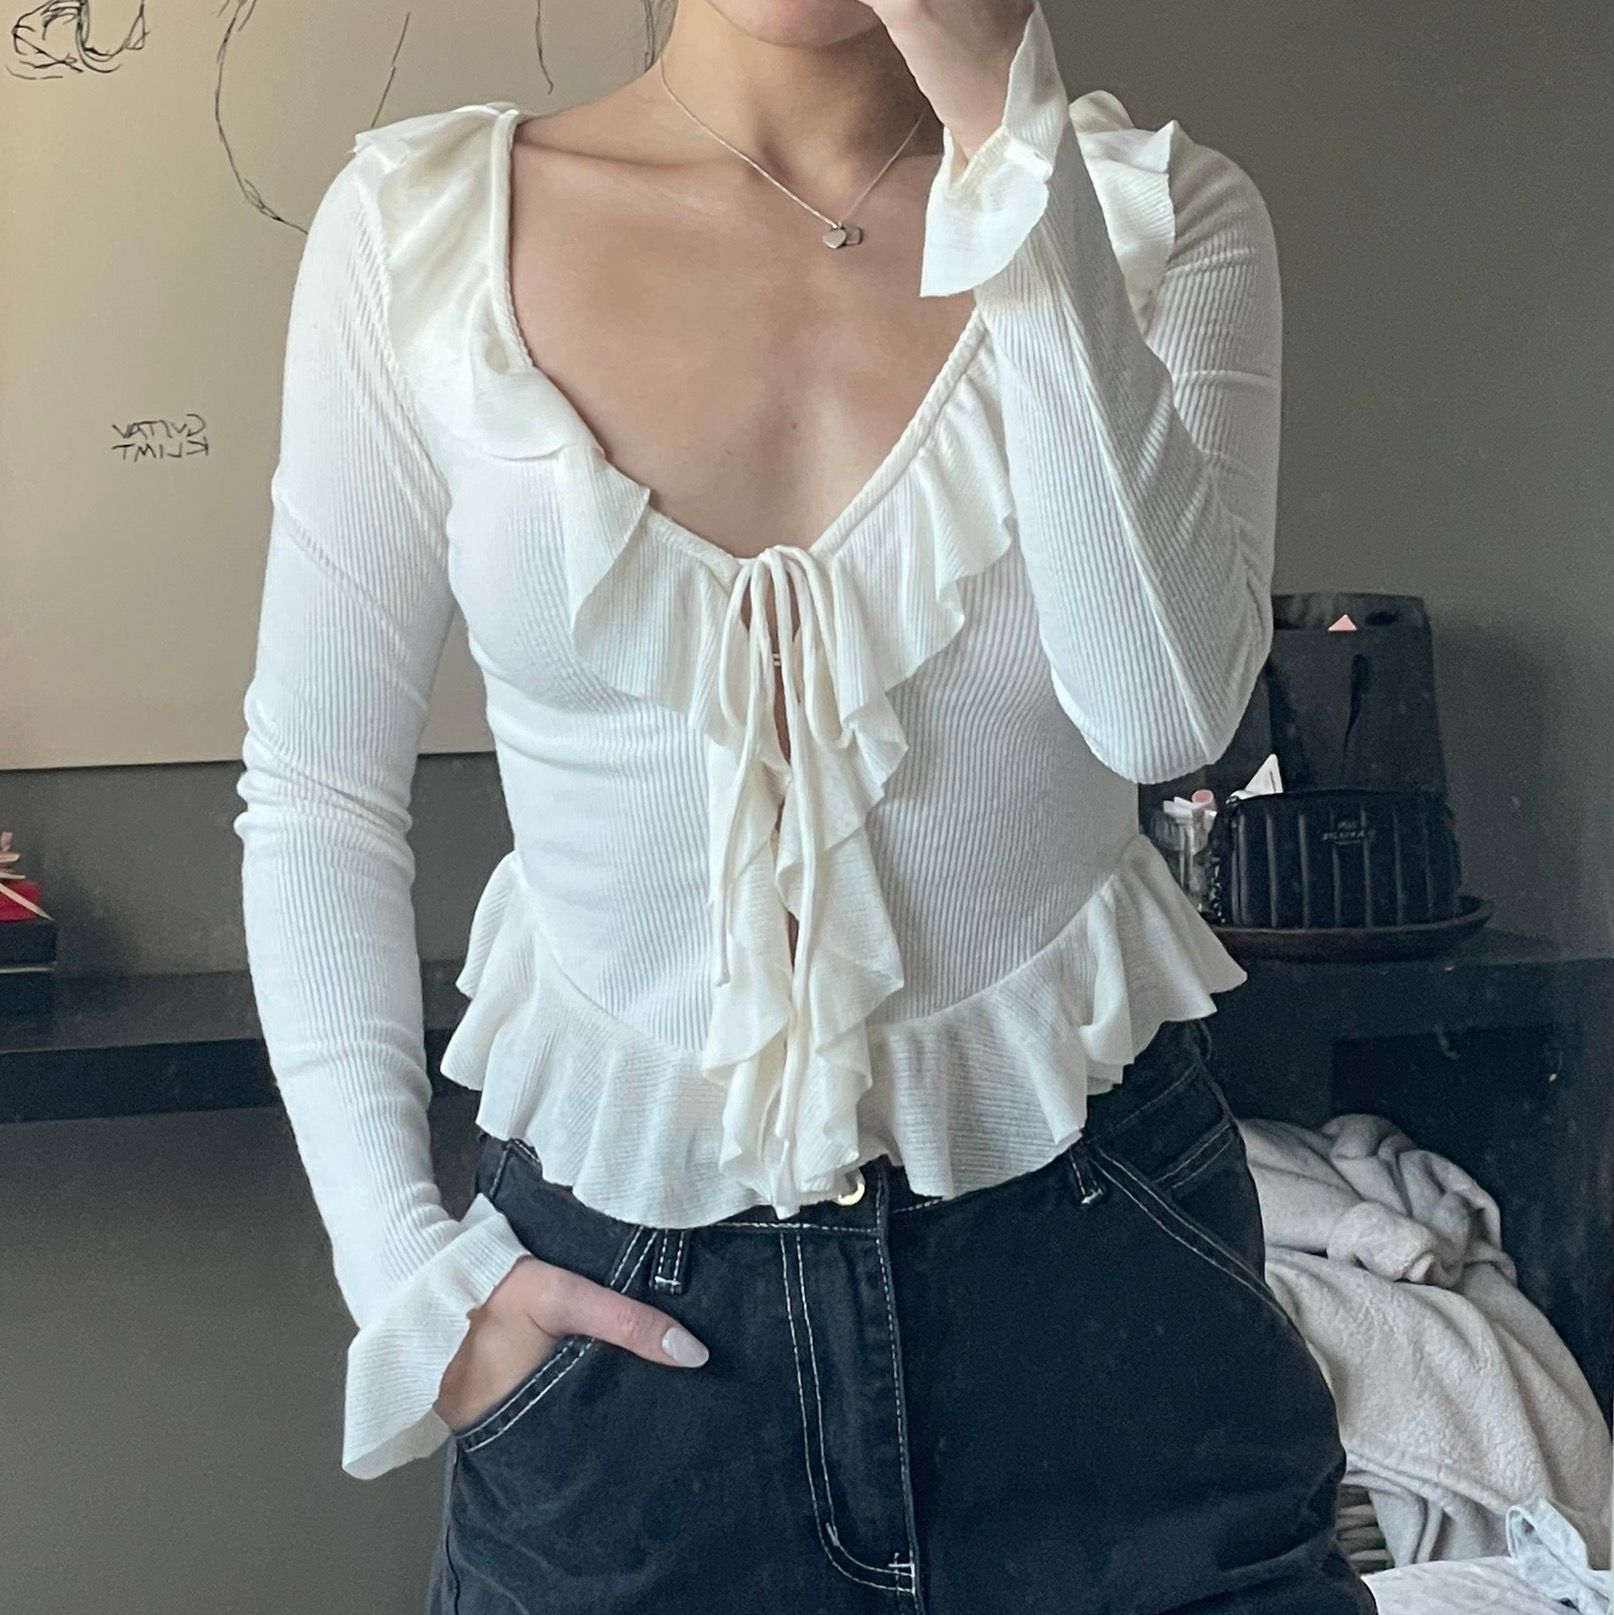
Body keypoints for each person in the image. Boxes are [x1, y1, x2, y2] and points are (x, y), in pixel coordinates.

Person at [233, 1, 1377, 1610]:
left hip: (1099, 1276)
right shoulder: (424, 226)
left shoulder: (1156, 212)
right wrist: (407, 1277)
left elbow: (1162, 715)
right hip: (625, 1311)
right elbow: (315, 794)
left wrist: (1014, 155)